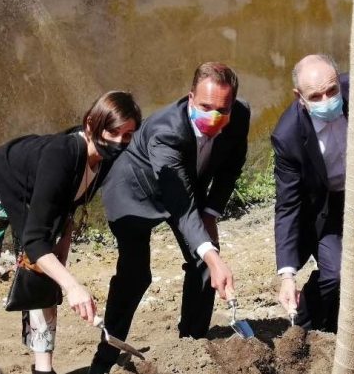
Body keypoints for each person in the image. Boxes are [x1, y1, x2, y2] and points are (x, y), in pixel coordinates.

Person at [89, 63, 250, 374]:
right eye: (205, 107)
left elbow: (231, 167)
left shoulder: (239, 116)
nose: (214, 116)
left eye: (223, 109)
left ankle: (191, 346)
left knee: (203, 263)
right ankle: (104, 359)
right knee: (136, 276)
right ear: (190, 98)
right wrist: (214, 254)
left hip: (187, 187)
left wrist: (212, 212)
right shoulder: (167, 131)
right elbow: (181, 206)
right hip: (135, 193)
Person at [0, 91, 142, 374]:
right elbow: (35, 241)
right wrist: (72, 286)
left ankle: (43, 369)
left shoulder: (104, 158)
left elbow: (70, 200)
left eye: (128, 135)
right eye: (113, 131)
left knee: (43, 276)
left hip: (35, 199)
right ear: (91, 124)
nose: (119, 141)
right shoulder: (62, 155)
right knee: (43, 262)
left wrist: (64, 240)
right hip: (0, 186)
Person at [272, 54, 354, 331]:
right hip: (322, 205)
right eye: (316, 96)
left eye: (332, 91)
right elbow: (287, 204)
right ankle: (311, 322)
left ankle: (334, 325)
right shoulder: (288, 136)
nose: (327, 101)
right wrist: (287, 275)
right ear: (300, 96)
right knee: (336, 274)